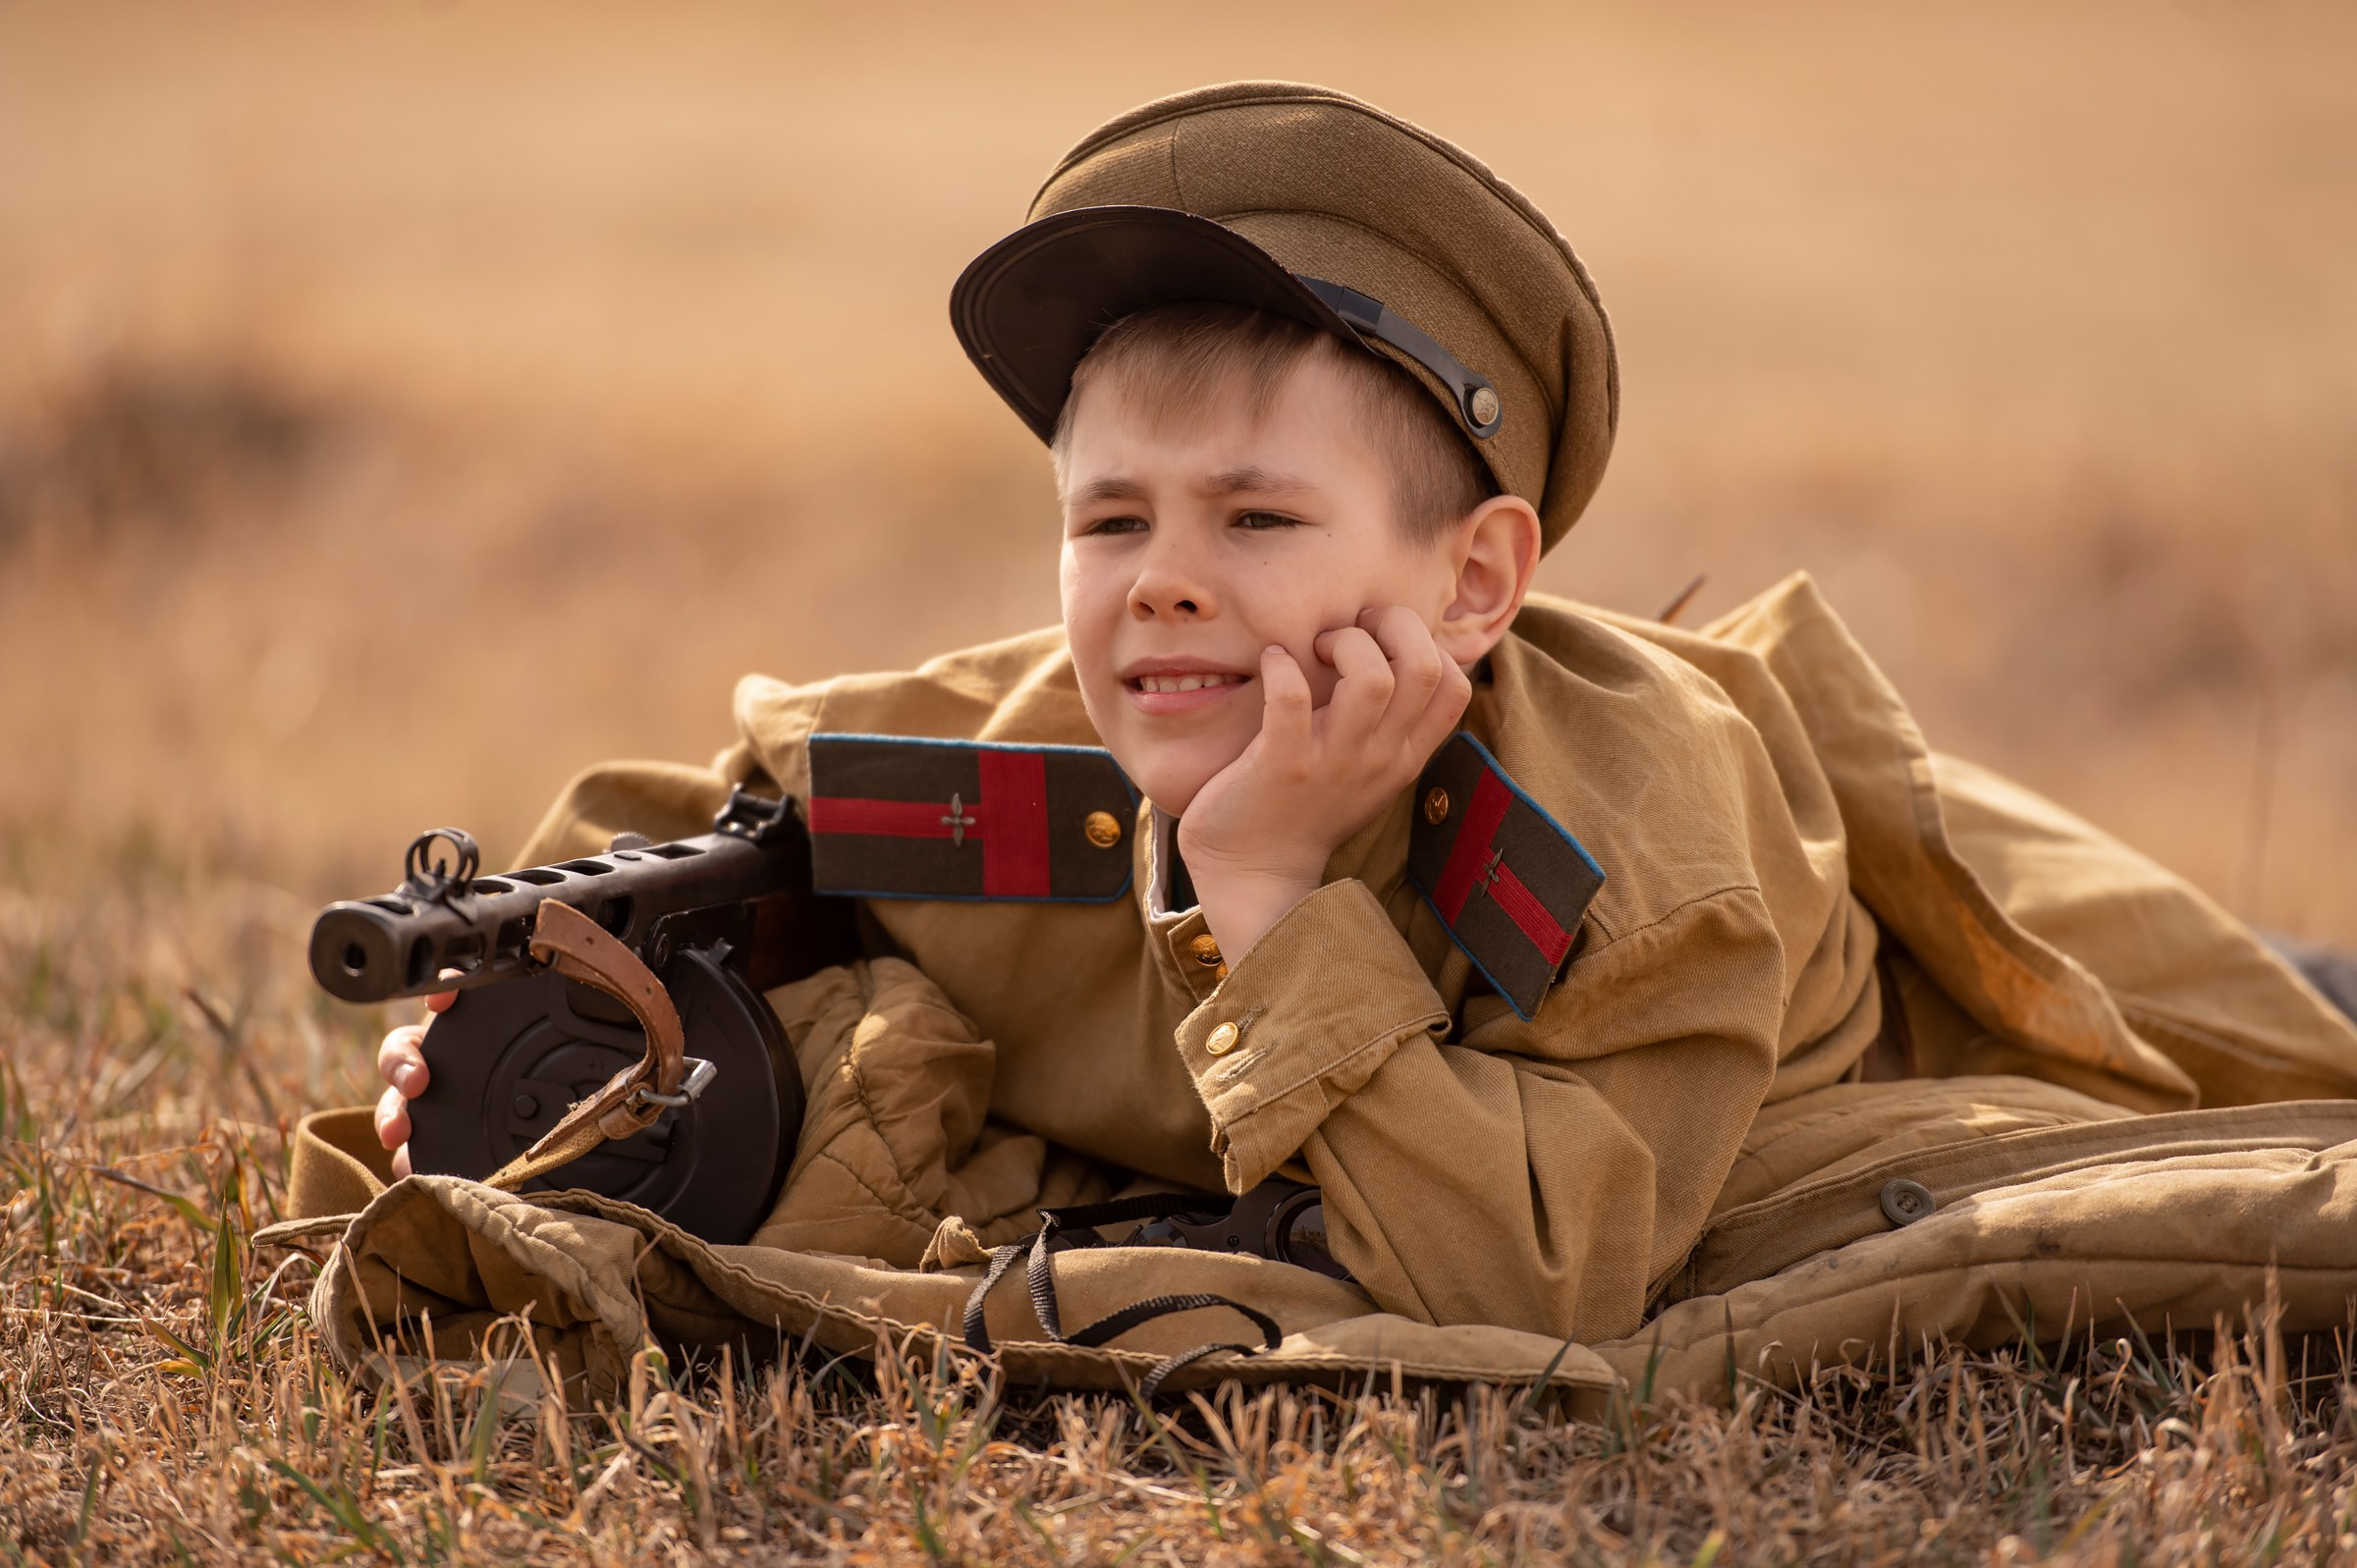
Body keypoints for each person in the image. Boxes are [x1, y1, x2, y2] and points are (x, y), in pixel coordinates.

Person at [359, 81, 2357, 1349]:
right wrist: (514, 1027)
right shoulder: (1030, 748)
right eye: (1112, 516)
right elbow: (708, 828)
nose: (1163, 578)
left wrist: (1266, 885)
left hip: (1892, 967)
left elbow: (1532, 1285)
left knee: (2271, 1024)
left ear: (1474, 582)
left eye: (1260, 517)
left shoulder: (1620, 845)